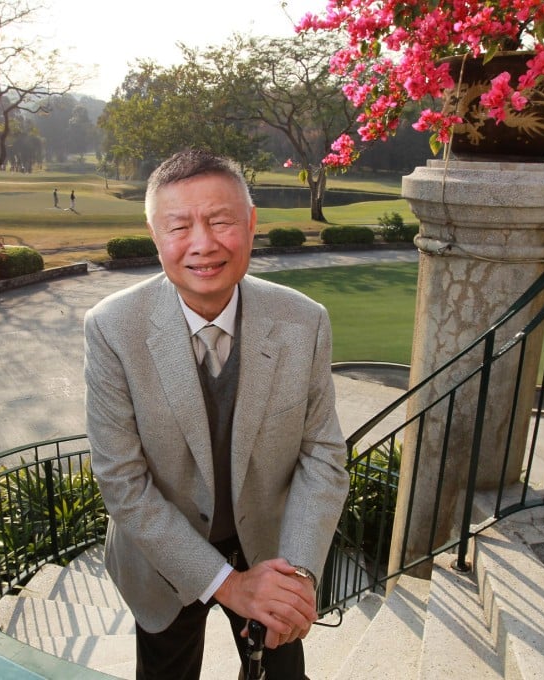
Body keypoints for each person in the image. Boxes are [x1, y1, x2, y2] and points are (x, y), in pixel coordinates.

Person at [84, 149, 349, 680]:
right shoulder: (113, 328)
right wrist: (229, 585)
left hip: (270, 554)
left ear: (251, 225)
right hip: (161, 559)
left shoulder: (304, 321)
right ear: (155, 236)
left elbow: (322, 456)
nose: (203, 244)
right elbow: (122, 483)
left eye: (222, 221)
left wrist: (296, 575)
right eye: (179, 226)